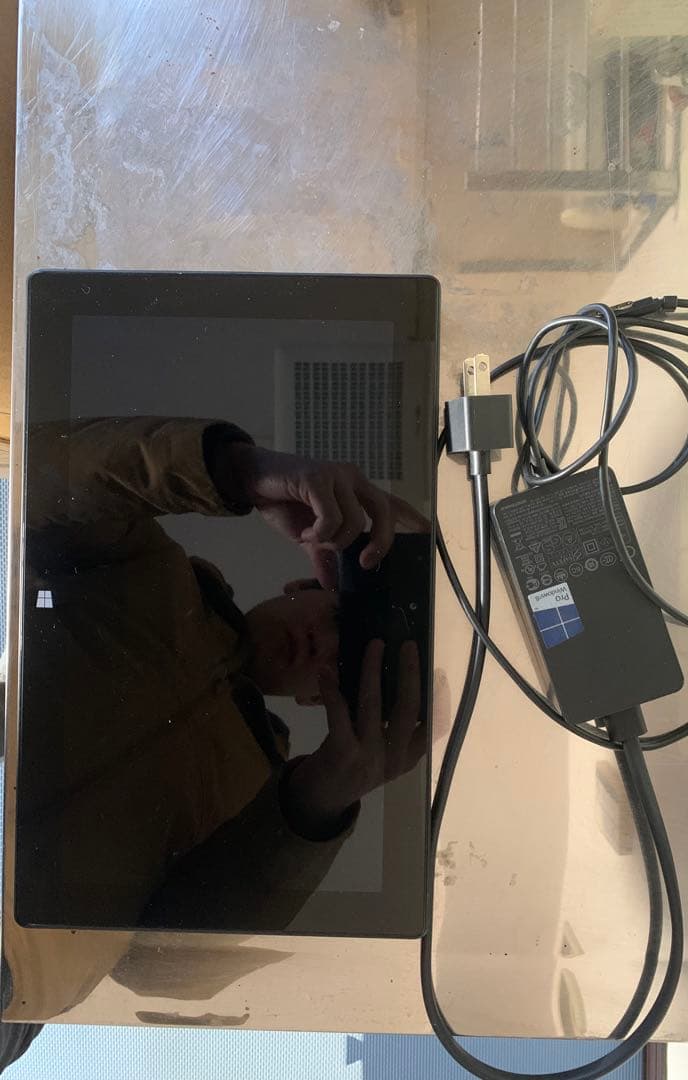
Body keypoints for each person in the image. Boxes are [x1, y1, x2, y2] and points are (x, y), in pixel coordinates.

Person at [5, 415, 429, 1022]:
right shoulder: (150, 567)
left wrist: (311, 809)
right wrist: (239, 472)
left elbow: (157, 969)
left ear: (320, 701)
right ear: (301, 584)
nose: (323, 646)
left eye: (347, 665)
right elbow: (38, 477)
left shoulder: (263, 801)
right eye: (340, 620)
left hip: (18, 966)